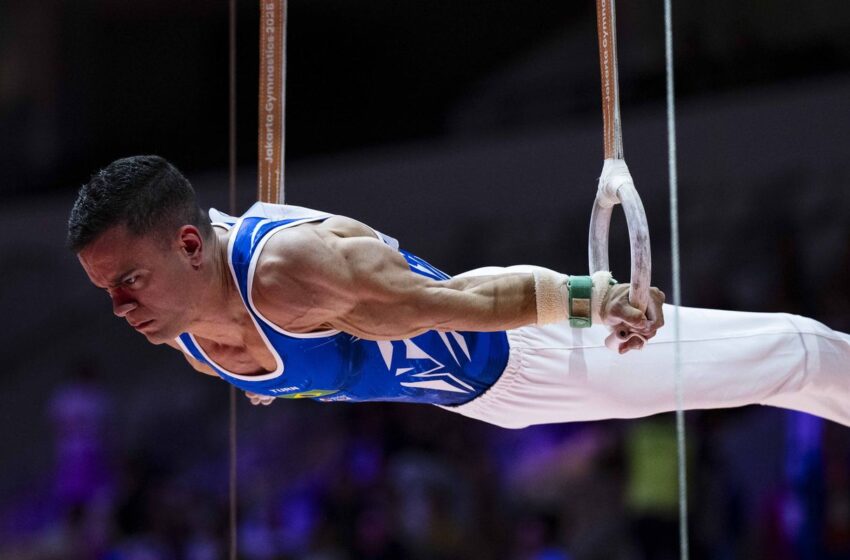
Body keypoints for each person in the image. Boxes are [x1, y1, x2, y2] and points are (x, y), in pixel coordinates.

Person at [68, 155, 850, 429]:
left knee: (799, 351)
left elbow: (463, 300)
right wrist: (275, 385)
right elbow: (287, 366)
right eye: (107, 290)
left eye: (128, 281)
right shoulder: (184, 332)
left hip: (533, 349)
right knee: (790, 368)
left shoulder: (292, 275)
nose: (120, 308)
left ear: (192, 245)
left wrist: (595, 296)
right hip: (483, 402)